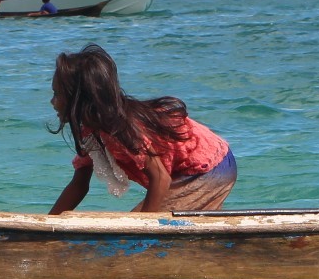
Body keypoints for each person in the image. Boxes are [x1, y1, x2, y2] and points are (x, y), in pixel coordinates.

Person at [48, 44, 236, 214]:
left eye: (57, 94)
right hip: (198, 170)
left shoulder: (119, 129)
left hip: (211, 167)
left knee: (131, 239)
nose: (53, 102)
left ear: (78, 99)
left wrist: (144, 230)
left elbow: (161, 179)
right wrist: (49, 225)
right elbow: (79, 184)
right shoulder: (93, 132)